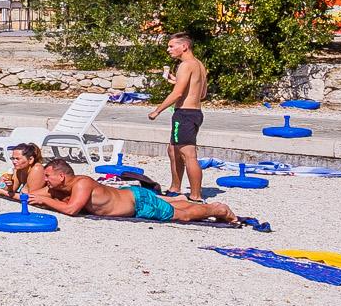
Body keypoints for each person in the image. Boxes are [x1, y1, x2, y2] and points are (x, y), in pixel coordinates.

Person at [33, 156, 242, 226]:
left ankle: (217, 210)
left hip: (138, 203)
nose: (45, 181)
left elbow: (71, 210)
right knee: (171, 205)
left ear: (61, 176)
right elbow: (35, 195)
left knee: (182, 216)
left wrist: (46, 202)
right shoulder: (69, 186)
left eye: (47, 177)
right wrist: (6, 193)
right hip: (132, 195)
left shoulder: (82, 184)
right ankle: (179, 199)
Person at [146, 33, 212, 203]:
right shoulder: (198, 65)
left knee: (188, 154)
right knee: (173, 150)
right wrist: (177, 81)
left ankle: (195, 196)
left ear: (184, 46)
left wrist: (157, 111)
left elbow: (178, 93)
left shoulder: (185, 65)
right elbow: (202, 93)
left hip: (184, 114)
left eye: (171, 46)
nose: (168, 50)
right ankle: (175, 188)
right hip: (194, 113)